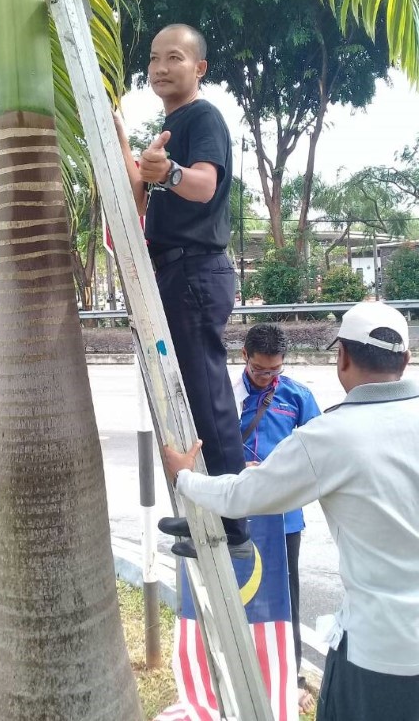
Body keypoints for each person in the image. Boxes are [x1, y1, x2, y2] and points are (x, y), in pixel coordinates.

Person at [162, 302, 419, 721]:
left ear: (343, 357)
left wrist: (185, 479)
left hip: (376, 654)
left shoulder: (332, 434)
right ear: (406, 360)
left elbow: (245, 495)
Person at [114, 23, 251, 559]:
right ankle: (207, 509)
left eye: (174, 57)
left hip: (196, 270)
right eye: (153, 59)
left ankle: (233, 524)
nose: (160, 67)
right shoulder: (169, 125)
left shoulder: (203, 117)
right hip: (172, 270)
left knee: (210, 397)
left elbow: (203, 185)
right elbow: (138, 196)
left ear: (199, 69)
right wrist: (123, 140)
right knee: (190, 398)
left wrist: (167, 172)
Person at [234, 323, 320, 714]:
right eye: (259, 370)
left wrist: (279, 474)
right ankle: (241, 671)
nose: (267, 378)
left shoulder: (297, 396)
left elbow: (319, 453)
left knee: (286, 600)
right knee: (238, 597)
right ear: (244, 358)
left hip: (284, 519)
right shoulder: (225, 396)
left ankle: (292, 677)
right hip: (236, 515)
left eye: (275, 371)